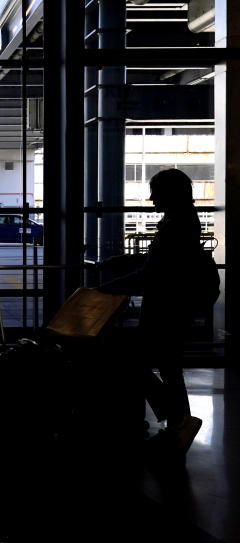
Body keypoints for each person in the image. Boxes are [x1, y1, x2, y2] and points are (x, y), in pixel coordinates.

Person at [98, 168, 210, 456]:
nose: (151, 199)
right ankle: (177, 425)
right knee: (169, 366)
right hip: (175, 307)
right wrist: (118, 261)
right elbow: (156, 261)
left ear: (170, 195)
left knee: (135, 362)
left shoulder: (175, 226)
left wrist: (110, 287)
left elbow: (153, 273)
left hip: (166, 309)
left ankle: (177, 420)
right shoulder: (182, 221)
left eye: (156, 193)